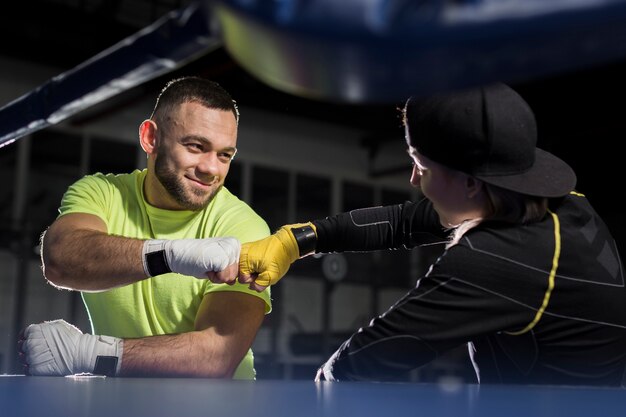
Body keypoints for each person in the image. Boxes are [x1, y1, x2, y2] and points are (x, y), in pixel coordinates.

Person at [238, 82, 626, 386]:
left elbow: (361, 362)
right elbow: (400, 222)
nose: (412, 179)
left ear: (471, 184)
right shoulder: (558, 205)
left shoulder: (497, 259)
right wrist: (296, 240)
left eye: (420, 166)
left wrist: (320, 387)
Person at [17, 76, 272, 379]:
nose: (211, 169)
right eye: (195, 146)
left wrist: (87, 353)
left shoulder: (242, 227)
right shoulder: (102, 193)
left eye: (224, 155)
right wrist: (169, 255)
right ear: (151, 138)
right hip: (122, 404)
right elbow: (60, 260)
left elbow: (216, 358)